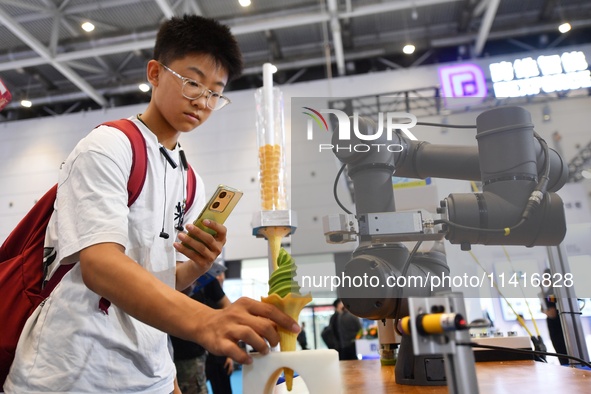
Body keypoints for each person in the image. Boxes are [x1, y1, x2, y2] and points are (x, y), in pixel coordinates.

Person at [4, 15, 299, 393]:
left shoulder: (191, 181)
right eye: (193, 82)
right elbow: (100, 266)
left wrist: (195, 266)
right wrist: (207, 320)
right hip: (70, 373)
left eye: (215, 92)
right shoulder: (109, 146)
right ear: (155, 73)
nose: (203, 102)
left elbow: (161, 281)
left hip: (149, 375)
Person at [204, 272, 234, 394]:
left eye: (221, 274)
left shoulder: (210, 282)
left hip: (218, 355)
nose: (219, 277)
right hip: (195, 355)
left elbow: (229, 315)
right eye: (218, 274)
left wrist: (230, 354)